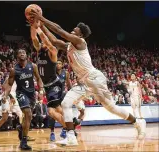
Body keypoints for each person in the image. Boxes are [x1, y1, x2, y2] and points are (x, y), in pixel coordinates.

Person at [30, 11, 146, 146]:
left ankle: (137, 122)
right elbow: (55, 40)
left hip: (95, 78)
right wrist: (39, 26)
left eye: (75, 30)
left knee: (111, 108)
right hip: (83, 82)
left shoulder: (80, 42)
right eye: (73, 29)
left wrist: (41, 19)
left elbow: (60, 31)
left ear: (80, 35)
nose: (72, 31)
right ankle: (71, 137)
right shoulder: (68, 46)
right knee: (66, 103)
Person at [2, 49, 43, 150]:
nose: (22, 54)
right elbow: (9, 85)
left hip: (32, 94)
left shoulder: (33, 66)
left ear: (26, 55)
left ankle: (21, 127)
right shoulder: (14, 70)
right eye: (19, 53)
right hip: (21, 94)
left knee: (28, 118)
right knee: (28, 113)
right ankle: (23, 142)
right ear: (17, 56)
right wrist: (5, 95)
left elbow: (38, 79)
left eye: (23, 53)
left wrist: (41, 90)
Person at [30, 26, 66, 141]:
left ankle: (69, 128)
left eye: (45, 41)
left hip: (54, 84)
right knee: (58, 110)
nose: (42, 42)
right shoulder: (39, 50)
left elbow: (45, 40)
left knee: (51, 111)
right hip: (48, 86)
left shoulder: (53, 51)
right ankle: (70, 125)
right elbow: (33, 37)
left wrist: (39, 28)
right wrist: (32, 25)